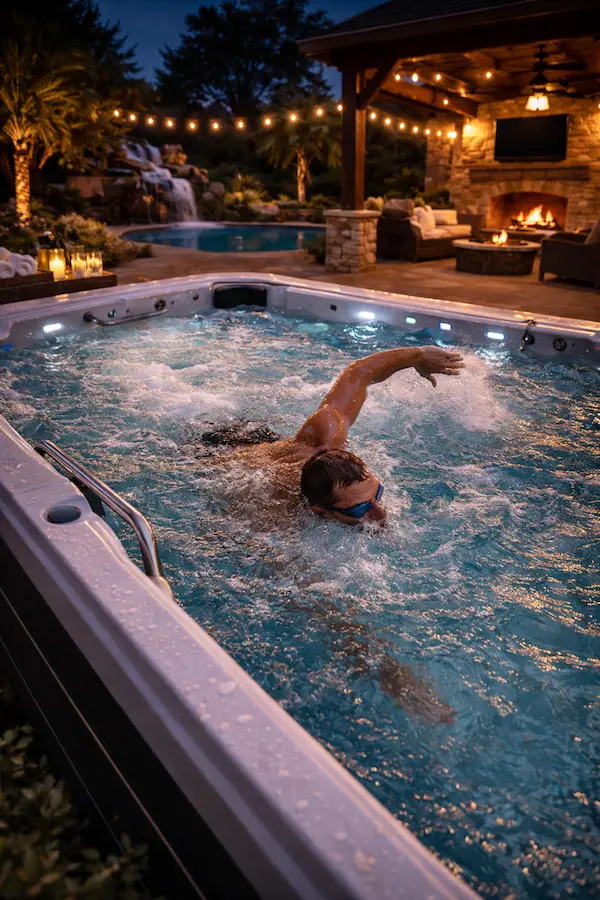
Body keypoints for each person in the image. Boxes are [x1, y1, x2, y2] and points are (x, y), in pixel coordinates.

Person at [214, 344, 464, 524]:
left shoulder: (329, 432)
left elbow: (358, 373)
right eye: (359, 510)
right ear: (320, 511)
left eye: (377, 494)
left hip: (268, 441)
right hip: (222, 453)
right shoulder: (273, 510)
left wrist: (417, 355)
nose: (381, 515)